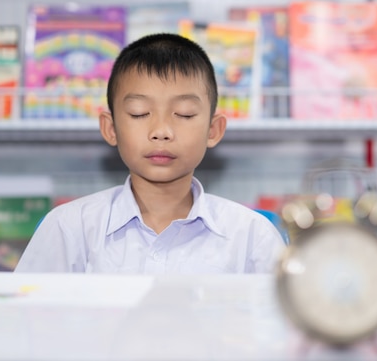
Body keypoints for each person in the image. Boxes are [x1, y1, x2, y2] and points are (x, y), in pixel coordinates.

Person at [15, 33, 286, 274]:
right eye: (139, 113)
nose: (161, 130)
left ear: (213, 130)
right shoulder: (68, 228)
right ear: (110, 128)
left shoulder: (252, 237)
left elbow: (280, 328)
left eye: (184, 114)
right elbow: (25, 322)